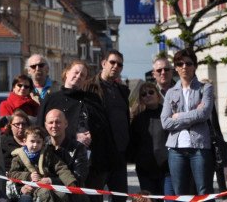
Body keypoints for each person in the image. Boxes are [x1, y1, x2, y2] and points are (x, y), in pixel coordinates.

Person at [39, 60, 117, 192]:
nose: (78, 76)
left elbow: (105, 128)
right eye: (76, 72)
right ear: (67, 73)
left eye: (83, 75)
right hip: (63, 163)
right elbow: (41, 130)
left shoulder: (93, 99)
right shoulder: (51, 99)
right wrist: (74, 135)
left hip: (95, 164)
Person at [160, 48, 214, 196]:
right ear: (176, 68)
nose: (184, 67)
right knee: (180, 194)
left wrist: (178, 116)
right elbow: (165, 122)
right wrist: (192, 116)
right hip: (176, 149)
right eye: (180, 63)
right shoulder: (171, 92)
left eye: (188, 63)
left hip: (200, 147)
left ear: (194, 66)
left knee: (204, 192)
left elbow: (203, 114)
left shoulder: (205, 88)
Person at [7, 127, 78, 202]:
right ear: (25, 141)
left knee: (62, 195)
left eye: (38, 142)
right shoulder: (18, 158)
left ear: (43, 142)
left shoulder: (48, 154)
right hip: (27, 188)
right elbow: (12, 174)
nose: (35, 145)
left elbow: (61, 168)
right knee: (28, 198)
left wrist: (70, 182)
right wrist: (28, 176)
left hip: (45, 185)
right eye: (32, 141)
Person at [96, 50, 131, 194]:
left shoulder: (122, 90)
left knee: (120, 196)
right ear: (103, 63)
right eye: (112, 62)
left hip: (119, 152)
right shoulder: (90, 87)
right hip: (99, 153)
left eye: (120, 64)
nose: (116, 66)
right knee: (95, 196)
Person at [128, 81, 170, 195]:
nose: (148, 95)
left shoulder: (168, 115)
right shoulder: (138, 119)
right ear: (141, 99)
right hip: (145, 171)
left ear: (157, 95)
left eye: (151, 92)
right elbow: (133, 143)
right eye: (143, 94)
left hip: (167, 170)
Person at [43, 109, 90, 190]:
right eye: (51, 122)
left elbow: (79, 178)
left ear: (66, 124)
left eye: (58, 122)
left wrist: (52, 181)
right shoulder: (41, 145)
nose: (54, 126)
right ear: (46, 125)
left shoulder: (78, 148)